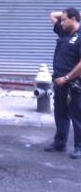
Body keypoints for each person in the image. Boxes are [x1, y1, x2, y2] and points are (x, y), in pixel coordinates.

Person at [44, 8, 81, 159]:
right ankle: (60, 143)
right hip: (59, 81)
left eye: (65, 19)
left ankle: (79, 147)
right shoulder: (64, 31)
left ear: (73, 19)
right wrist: (68, 15)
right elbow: (52, 15)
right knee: (60, 112)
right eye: (63, 19)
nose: (62, 22)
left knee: (77, 114)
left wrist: (66, 78)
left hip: (74, 83)